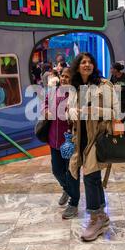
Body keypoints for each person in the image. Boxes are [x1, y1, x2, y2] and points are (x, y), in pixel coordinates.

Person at [66, 52, 117, 241]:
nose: (87, 65)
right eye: (83, 62)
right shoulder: (75, 87)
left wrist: (93, 110)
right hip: (81, 139)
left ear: (94, 65)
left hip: (99, 136)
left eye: (90, 62)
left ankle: (95, 218)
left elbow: (116, 111)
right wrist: (73, 112)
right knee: (93, 177)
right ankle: (102, 216)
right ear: (77, 66)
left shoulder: (104, 85)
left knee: (89, 175)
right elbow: (70, 111)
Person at [45, 68, 72, 208]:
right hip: (53, 138)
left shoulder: (74, 94)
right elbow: (45, 103)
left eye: (67, 76)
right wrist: (45, 111)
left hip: (69, 140)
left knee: (69, 170)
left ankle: (72, 195)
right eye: (62, 76)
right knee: (56, 170)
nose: (64, 79)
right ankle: (67, 189)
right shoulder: (53, 92)